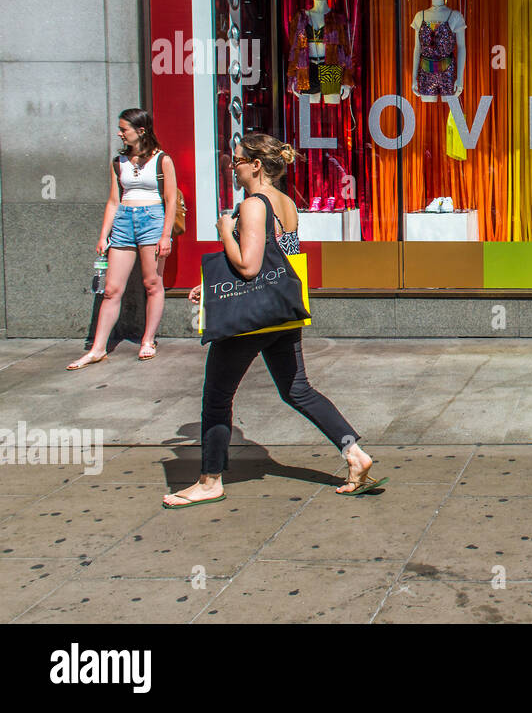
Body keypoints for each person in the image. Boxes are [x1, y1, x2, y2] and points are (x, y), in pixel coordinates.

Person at [162, 133, 385, 508]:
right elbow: (275, 260)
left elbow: (249, 267)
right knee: (297, 390)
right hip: (281, 311)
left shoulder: (253, 205)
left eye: (235, 161)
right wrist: (212, 286)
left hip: (250, 319)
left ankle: (209, 480)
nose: (231, 167)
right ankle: (354, 453)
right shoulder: (285, 203)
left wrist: (222, 232)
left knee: (217, 398)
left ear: (255, 165)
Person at [68, 109, 177, 369]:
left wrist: (166, 235)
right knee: (112, 289)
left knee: (152, 284)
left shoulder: (163, 160)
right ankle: (97, 348)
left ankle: (148, 340)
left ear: (141, 131)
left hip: (152, 219)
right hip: (124, 221)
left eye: (124, 128)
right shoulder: (119, 161)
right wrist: (103, 235)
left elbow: (171, 200)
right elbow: (114, 200)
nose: (119, 133)